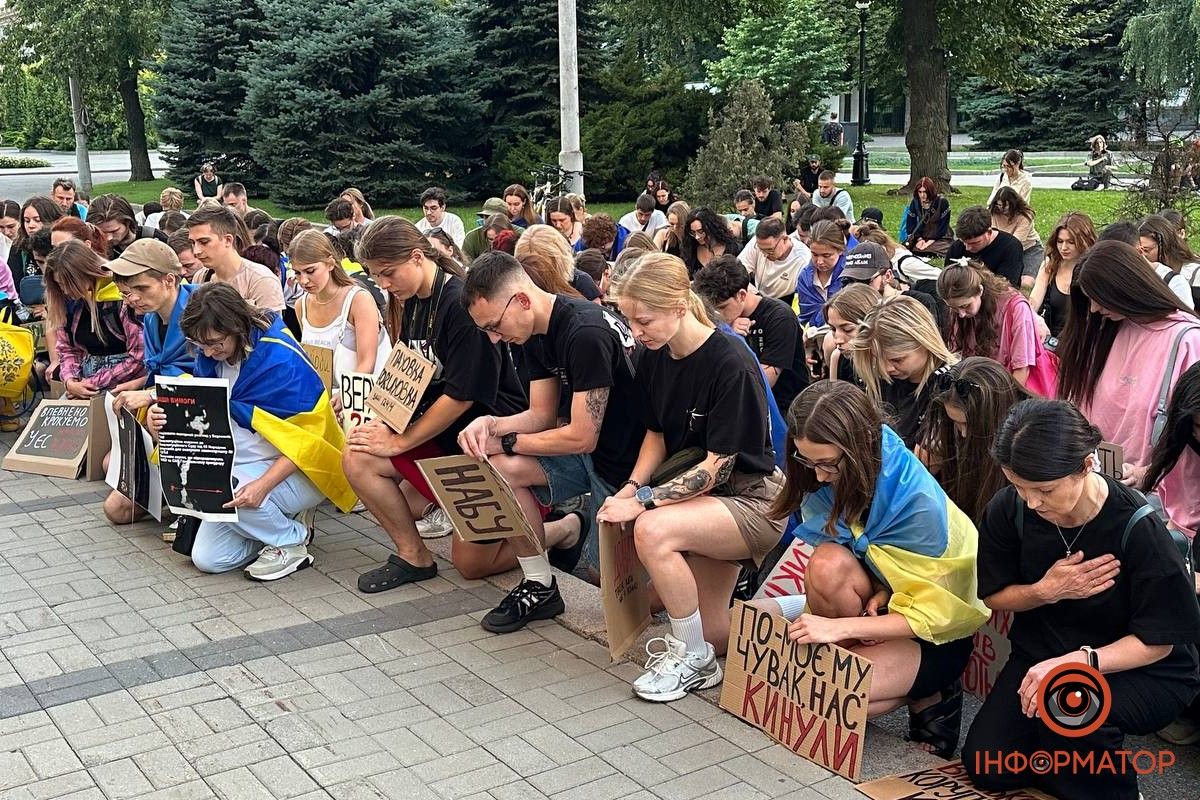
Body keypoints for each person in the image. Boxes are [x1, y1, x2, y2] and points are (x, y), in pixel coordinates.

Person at [963, 399, 1200, 800]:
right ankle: (1071, 767)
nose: (1032, 502)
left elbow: (1159, 642)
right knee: (988, 765)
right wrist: (1045, 591)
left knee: (1066, 709)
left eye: (1044, 490)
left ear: (1087, 464)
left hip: (1138, 667)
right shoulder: (1010, 510)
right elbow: (995, 596)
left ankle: (1116, 791)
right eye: (1018, 486)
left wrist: (1079, 661)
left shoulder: (1137, 527)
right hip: (1044, 652)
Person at [762, 380, 988, 757]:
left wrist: (838, 628)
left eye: (827, 464)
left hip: (937, 634)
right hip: (886, 605)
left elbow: (935, 615)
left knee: (829, 696)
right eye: (806, 461)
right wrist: (883, 589)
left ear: (860, 448)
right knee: (826, 565)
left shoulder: (918, 506)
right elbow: (865, 550)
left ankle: (933, 689)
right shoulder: (834, 473)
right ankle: (867, 664)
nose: (817, 477)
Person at [596, 252, 784, 702]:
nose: (635, 332)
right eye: (629, 320)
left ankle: (692, 659)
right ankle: (799, 607)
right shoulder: (654, 354)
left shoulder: (730, 361)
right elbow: (657, 433)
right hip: (705, 499)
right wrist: (628, 488)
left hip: (752, 499)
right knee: (719, 630)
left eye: (643, 320)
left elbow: (717, 465)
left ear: (680, 305)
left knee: (653, 529)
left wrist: (642, 503)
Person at [457, 252, 644, 631]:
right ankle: (539, 584)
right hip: (594, 453)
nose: (494, 338)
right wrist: (491, 425)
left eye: (494, 325)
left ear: (522, 300)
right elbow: (541, 415)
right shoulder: (531, 329)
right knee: (499, 469)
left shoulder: (584, 332)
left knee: (608, 585)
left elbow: (582, 435)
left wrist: (508, 442)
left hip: (629, 464)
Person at [340, 219, 528, 586]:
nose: (383, 285)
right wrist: (377, 416)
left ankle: (562, 529)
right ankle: (414, 556)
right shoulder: (412, 300)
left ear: (415, 258)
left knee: (472, 565)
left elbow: (462, 396)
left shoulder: (459, 303)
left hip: (480, 443)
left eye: (388, 274)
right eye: (376, 276)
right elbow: (407, 374)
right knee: (358, 454)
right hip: (444, 437)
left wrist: (400, 441)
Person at [149, 282, 355, 579]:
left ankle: (291, 540)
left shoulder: (280, 361)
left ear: (237, 327)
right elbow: (202, 419)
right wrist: (162, 422)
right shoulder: (211, 355)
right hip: (241, 464)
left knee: (222, 488)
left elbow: (310, 441)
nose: (207, 351)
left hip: (302, 470)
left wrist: (263, 486)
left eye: (215, 342)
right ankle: (271, 527)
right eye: (200, 344)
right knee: (208, 559)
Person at [1057, 240, 1200, 496]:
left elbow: (1192, 435)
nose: (1094, 309)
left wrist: (1149, 471)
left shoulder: (1187, 341)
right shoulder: (1105, 329)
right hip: (1099, 484)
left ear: (1125, 289)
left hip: (1155, 498)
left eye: (1100, 299)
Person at [103, 240, 197, 524]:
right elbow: (163, 368)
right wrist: (142, 388)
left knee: (117, 498)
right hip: (169, 407)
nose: (133, 299)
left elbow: (215, 377)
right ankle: (172, 495)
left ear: (169, 280)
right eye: (127, 292)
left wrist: (152, 395)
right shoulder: (152, 319)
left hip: (204, 415)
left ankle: (190, 503)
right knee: (115, 508)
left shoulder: (201, 310)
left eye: (141, 289)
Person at [917, 357, 1035, 521]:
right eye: (956, 423)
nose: (963, 434)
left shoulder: (1029, 443)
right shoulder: (948, 433)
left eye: (967, 424)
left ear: (994, 412)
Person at [694, 254, 809, 412]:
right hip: (738, 402)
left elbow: (765, 381)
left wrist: (731, 340)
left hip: (783, 406)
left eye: (722, 307)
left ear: (741, 295)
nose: (716, 315)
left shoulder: (780, 317)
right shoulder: (721, 321)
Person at [848, 294, 956, 446]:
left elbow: (925, 463)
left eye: (897, 360)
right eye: (877, 359)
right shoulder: (880, 381)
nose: (886, 369)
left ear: (924, 342)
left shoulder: (948, 385)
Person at [43, 240, 146, 399]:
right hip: (83, 379)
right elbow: (67, 349)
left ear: (84, 273)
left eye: (67, 284)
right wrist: (70, 380)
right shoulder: (69, 304)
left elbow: (139, 358)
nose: (64, 290)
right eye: (59, 285)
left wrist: (93, 383)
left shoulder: (121, 300)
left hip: (123, 382)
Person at [940, 259, 1056, 395]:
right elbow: (956, 353)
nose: (961, 314)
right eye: (953, 308)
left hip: (1016, 386)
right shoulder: (959, 308)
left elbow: (1022, 368)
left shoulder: (1015, 308)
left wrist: (1002, 403)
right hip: (982, 382)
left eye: (965, 306)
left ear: (980, 291)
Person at [289, 230, 387, 382]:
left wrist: (344, 395)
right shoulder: (301, 305)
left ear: (330, 264)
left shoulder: (358, 299)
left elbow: (367, 363)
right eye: (297, 273)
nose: (303, 280)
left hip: (363, 396)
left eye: (310, 271)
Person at [186, 206, 286, 312]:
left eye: (204, 242)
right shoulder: (200, 277)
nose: (196, 251)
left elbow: (271, 327)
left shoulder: (262, 280)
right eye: (192, 243)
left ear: (228, 240)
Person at [1030, 212, 1096, 341]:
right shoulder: (1050, 266)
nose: (1064, 248)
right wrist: (1035, 318)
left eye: (1071, 242)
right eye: (1060, 241)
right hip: (1049, 339)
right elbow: (1033, 301)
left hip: (1081, 340)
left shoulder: (1094, 270)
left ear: (1085, 241)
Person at [839, 241, 940, 321]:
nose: (857, 288)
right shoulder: (849, 307)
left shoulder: (917, 303)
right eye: (849, 281)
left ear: (888, 276)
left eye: (864, 281)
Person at [945, 205, 1025, 289]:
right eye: (964, 242)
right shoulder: (956, 247)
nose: (968, 248)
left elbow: (1006, 287)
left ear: (989, 232)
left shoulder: (1010, 247)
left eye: (975, 243)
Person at [515, 225, 600, 302]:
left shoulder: (581, 281)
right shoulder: (519, 290)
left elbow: (597, 315)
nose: (537, 272)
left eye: (543, 266)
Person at [736, 218, 809, 307]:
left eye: (770, 250)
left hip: (784, 302)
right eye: (761, 250)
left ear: (785, 239)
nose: (764, 255)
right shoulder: (758, 243)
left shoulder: (803, 260)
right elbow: (736, 272)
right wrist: (755, 295)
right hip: (756, 293)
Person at [796, 218, 851, 326]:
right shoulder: (804, 277)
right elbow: (805, 315)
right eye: (815, 255)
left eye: (827, 255)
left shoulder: (850, 275)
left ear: (840, 250)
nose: (819, 262)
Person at [1138, 215, 1200, 309]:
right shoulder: (1150, 273)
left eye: (1147, 250)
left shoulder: (1196, 273)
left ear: (1165, 245)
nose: (1143, 256)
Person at [823, 283, 879, 382]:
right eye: (833, 329)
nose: (838, 340)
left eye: (848, 329)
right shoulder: (837, 357)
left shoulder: (895, 366)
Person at [989, 187, 1043, 291]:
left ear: (1014, 203)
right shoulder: (993, 213)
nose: (1003, 208)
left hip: (1029, 250)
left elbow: (1014, 243)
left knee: (1027, 283)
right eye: (1000, 205)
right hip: (1002, 250)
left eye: (1006, 205)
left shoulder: (1025, 216)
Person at [87, 194, 168, 257]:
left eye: (114, 231)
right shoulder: (92, 246)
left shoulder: (156, 239)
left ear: (128, 222)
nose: (109, 238)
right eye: (102, 232)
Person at [9, 197, 64, 280]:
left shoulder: (64, 248)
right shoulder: (18, 250)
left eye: (37, 220)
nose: (31, 225)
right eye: (27, 221)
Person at [900, 177, 952, 257]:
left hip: (940, 237)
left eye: (925, 192)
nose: (922, 195)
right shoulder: (915, 202)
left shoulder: (942, 202)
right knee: (913, 247)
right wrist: (919, 239)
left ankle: (928, 251)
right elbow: (911, 223)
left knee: (946, 247)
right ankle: (925, 250)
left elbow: (943, 226)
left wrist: (929, 242)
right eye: (920, 192)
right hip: (922, 235)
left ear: (930, 191)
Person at [680, 208, 739, 278]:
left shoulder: (733, 247)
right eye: (693, 232)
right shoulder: (691, 250)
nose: (697, 237)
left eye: (701, 231)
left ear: (711, 228)